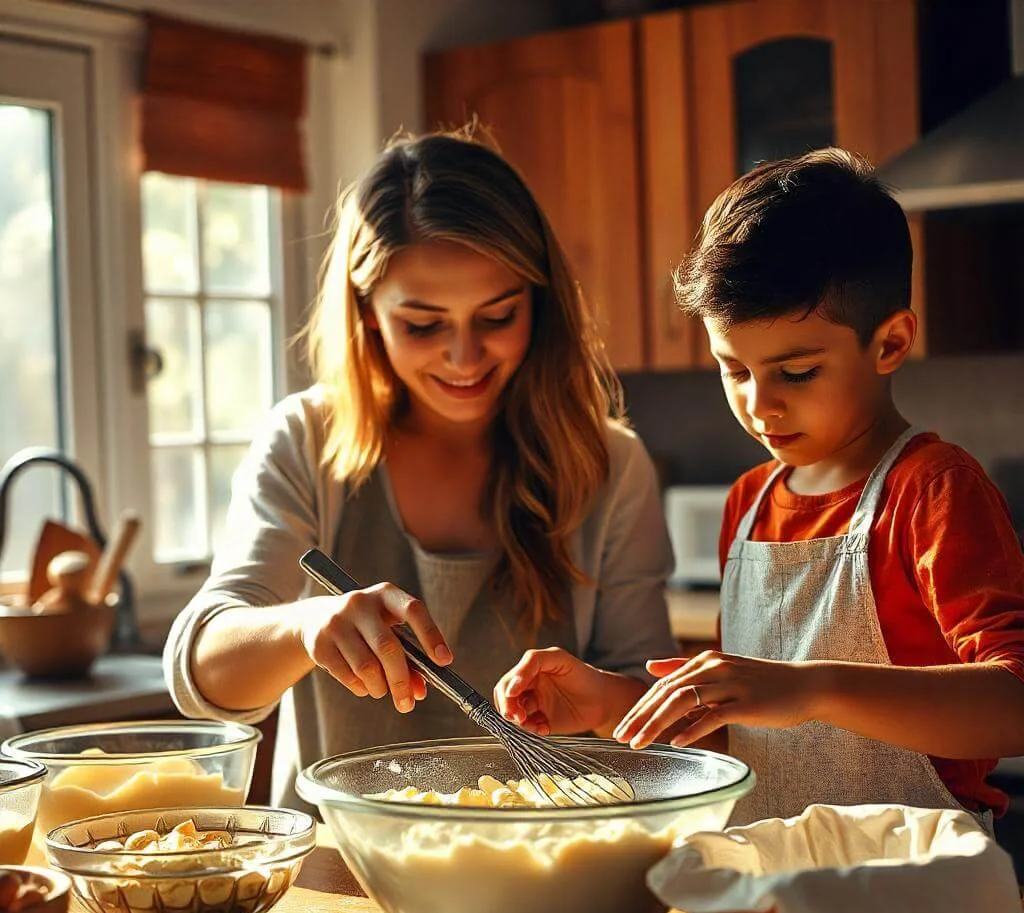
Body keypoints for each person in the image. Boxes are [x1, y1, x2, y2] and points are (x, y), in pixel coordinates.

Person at [495, 148, 1024, 827]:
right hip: (770, 880)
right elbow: (750, 734)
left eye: (796, 373)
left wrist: (812, 687)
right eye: (732, 369)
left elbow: (1014, 707)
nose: (759, 403)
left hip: (914, 894)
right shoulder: (749, 503)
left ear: (890, 344)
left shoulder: (931, 491)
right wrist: (606, 703)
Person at [164, 128, 677, 809]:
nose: (465, 358)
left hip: (554, 865)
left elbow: (663, 720)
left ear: (540, 302)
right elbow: (202, 678)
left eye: (497, 316)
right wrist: (306, 627)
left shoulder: (609, 464)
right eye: (423, 325)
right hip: (340, 882)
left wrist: (609, 699)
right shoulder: (307, 441)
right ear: (368, 314)